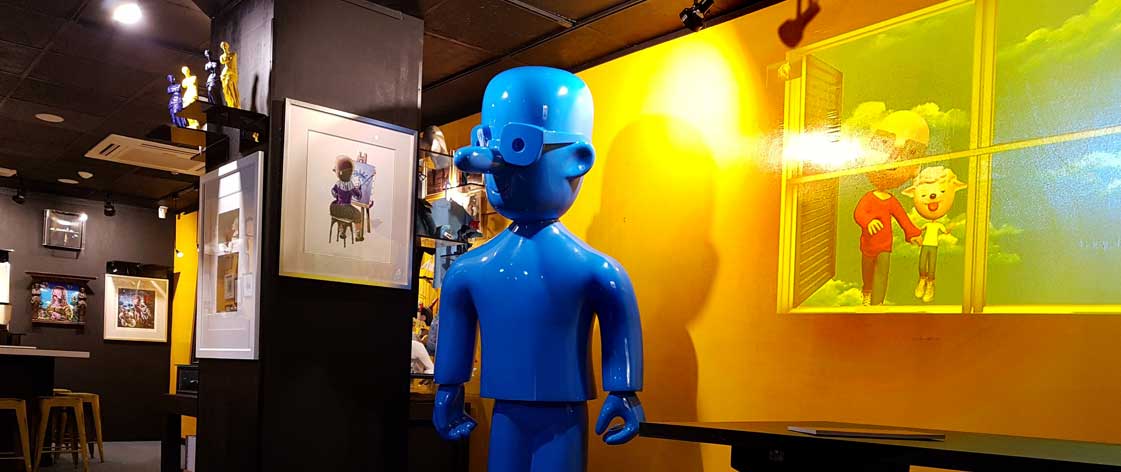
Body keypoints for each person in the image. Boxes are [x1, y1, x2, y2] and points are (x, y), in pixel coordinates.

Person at [853, 111, 927, 306]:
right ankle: (867, 291)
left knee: (882, 272)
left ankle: (877, 303)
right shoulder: (869, 198)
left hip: (885, 245)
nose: (893, 157)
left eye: (910, 152)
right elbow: (859, 213)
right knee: (868, 272)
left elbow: (903, 219)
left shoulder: (892, 201)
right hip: (868, 245)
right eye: (885, 143)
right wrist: (868, 221)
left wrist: (913, 233)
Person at [902, 166, 967, 302]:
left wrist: (952, 226)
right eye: (924, 195)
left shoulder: (938, 225)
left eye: (941, 191)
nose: (932, 196)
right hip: (925, 245)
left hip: (933, 247)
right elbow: (919, 230)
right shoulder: (927, 225)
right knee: (922, 264)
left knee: (931, 265)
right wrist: (913, 235)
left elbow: (945, 231)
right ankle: (922, 280)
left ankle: (930, 284)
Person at [330, 155, 365, 242]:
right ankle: (358, 236)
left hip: (336, 207)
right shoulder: (350, 185)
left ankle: (342, 232)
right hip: (346, 208)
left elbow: (333, 192)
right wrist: (359, 189)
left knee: (343, 214)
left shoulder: (338, 183)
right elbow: (358, 196)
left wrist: (338, 196)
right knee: (358, 215)